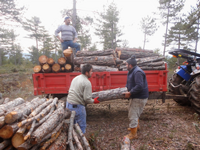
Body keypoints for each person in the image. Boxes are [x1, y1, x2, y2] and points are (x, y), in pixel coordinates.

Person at [66, 64, 99, 134]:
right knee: (81, 128)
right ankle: (81, 142)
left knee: (71, 127)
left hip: (68, 105)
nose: (92, 73)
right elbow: (87, 99)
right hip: (78, 107)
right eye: (91, 71)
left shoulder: (76, 78)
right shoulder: (87, 82)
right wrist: (94, 101)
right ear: (86, 73)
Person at [123, 55, 149, 140]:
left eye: (126, 64)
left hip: (139, 97)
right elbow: (129, 83)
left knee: (133, 114)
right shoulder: (131, 71)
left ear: (130, 65)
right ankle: (136, 127)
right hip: (136, 96)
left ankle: (133, 134)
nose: (126, 66)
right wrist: (126, 90)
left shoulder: (137, 72)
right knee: (135, 112)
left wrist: (130, 92)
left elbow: (139, 86)